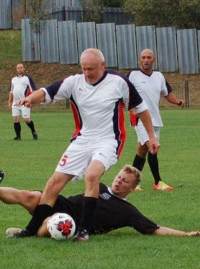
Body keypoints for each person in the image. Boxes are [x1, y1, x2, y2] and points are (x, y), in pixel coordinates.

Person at [11, 48, 160, 242]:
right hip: (82, 139)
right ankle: (30, 230)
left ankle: (83, 230)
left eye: (91, 69)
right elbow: (46, 92)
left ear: (103, 66)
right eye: (84, 68)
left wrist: (151, 136)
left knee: (91, 176)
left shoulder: (119, 82)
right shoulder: (74, 82)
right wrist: (30, 99)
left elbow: (141, 109)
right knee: (53, 183)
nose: (87, 73)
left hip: (109, 140)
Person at [0, 165, 200, 237]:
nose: (119, 182)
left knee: (54, 222)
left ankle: (26, 233)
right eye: (119, 177)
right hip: (64, 205)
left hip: (74, 224)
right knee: (32, 196)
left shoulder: (127, 211)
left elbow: (155, 229)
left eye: (125, 182)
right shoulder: (97, 186)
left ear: (132, 187)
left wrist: (185, 234)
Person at [127, 49, 185, 192]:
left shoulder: (159, 76)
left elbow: (167, 94)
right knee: (153, 147)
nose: (146, 60)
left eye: (149, 58)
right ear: (139, 60)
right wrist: (131, 108)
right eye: (143, 58)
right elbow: (122, 92)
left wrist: (177, 102)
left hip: (155, 119)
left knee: (142, 150)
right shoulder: (133, 75)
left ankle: (131, 183)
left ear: (154, 60)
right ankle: (158, 182)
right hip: (139, 118)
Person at [8, 63, 38, 141]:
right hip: (15, 102)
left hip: (25, 102)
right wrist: (10, 102)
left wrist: (31, 102)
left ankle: (33, 131)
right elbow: (11, 91)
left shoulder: (28, 78)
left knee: (26, 119)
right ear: (16, 69)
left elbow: (33, 91)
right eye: (18, 68)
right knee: (16, 119)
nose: (20, 69)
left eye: (21, 68)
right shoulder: (13, 79)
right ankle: (18, 137)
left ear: (24, 69)